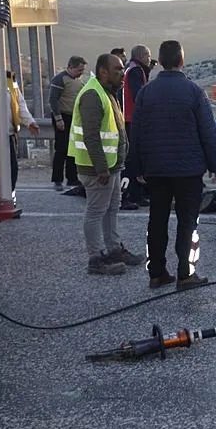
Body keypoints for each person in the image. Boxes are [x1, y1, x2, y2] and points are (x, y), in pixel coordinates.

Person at [130, 40, 216, 290]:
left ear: (159, 61)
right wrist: (214, 164)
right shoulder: (194, 91)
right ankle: (186, 274)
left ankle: (156, 273)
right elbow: (207, 131)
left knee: (156, 221)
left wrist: (137, 167)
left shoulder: (146, 92)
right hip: (188, 170)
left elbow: (136, 132)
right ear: (181, 61)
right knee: (188, 222)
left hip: (156, 169)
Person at [68, 53, 145, 275]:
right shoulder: (93, 94)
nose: (122, 74)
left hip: (111, 166)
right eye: (117, 69)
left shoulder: (107, 92)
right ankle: (95, 259)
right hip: (97, 168)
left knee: (111, 208)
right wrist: (101, 168)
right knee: (96, 211)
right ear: (103, 71)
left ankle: (114, 249)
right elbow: (91, 136)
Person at [120, 44, 153, 210]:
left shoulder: (132, 68)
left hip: (130, 118)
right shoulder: (135, 71)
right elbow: (139, 94)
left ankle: (136, 194)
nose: (149, 59)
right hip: (132, 119)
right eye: (148, 55)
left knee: (135, 158)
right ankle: (126, 195)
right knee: (132, 159)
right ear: (141, 55)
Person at [49, 55, 87, 191]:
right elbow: (53, 99)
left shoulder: (78, 81)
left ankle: (72, 178)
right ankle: (57, 180)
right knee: (61, 149)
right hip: (63, 117)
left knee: (73, 148)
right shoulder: (60, 79)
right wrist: (58, 118)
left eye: (82, 70)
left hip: (74, 118)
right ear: (70, 67)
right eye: (79, 70)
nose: (81, 73)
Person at [6, 71, 39, 205]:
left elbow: (20, 104)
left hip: (8, 135)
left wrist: (30, 122)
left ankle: (10, 199)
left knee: (12, 170)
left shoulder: (10, 79)